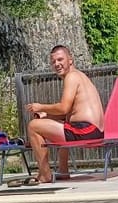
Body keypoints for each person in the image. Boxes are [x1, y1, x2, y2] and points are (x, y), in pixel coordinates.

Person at [24, 45, 105, 183]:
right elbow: (69, 112)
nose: (57, 64)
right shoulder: (79, 76)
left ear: (70, 60)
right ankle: (63, 171)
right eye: (53, 62)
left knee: (33, 126)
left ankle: (45, 174)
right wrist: (47, 116)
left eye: (60, 59)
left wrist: (40, 107)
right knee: (63, 125)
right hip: (92, 130)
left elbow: (63, 108)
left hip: (86, 130)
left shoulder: (71, 77)